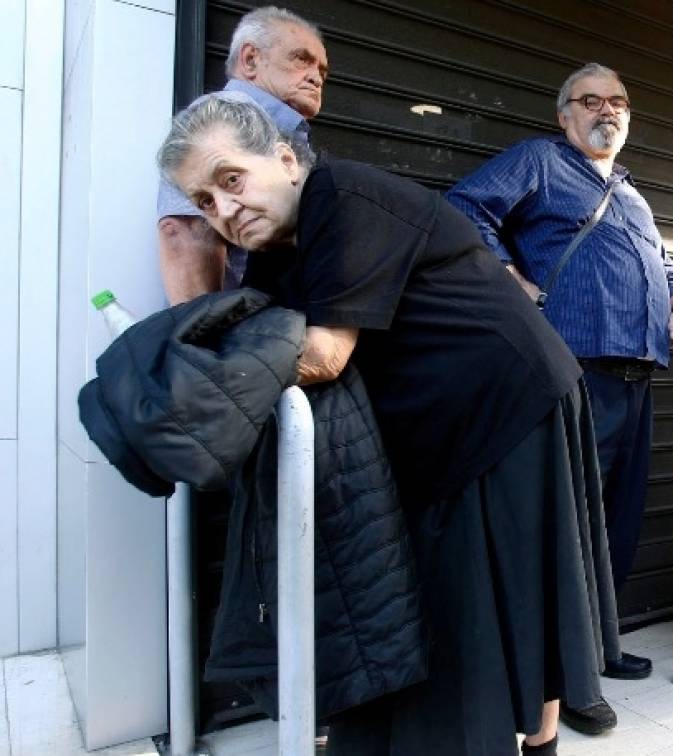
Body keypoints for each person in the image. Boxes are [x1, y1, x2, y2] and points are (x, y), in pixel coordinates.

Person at [159, 95, 622, 756]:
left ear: (285, 159)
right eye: (204, 201)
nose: (225, 209)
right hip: (434, 421)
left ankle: (540, 741)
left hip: (510, 401)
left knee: (519, 592)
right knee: (469, 605)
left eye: (231, 179)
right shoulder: (274, 254)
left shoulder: (340, 195)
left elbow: (322, 355)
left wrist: (188, 370)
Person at [446, 63, 673, 733]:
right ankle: (568, 681)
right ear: (564, 115)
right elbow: (463, 209)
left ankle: (599, 649)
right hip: (573, 367)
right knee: (570, 525)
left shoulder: (630, 191)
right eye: (590, 101)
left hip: (639, 372)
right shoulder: (540, 159)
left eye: (618, 100)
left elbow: (664, 262)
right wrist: (510, 281)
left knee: (613, 522)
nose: (607, 110)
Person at [157, 5, 328, 304]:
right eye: (302, 59)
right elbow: (184, 232)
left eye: (322, 71)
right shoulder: (214, 123)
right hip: (248, 331)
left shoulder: (284, 127)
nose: (316, 77)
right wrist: (206, 340)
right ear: (250, 60)